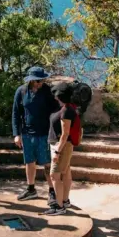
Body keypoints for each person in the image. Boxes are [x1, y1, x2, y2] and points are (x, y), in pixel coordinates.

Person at [12, 66, 58, 202]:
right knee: (29, 162)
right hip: (27, 133)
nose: (40, 83)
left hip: (44, 133)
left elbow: (55, 110)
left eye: (42, 80)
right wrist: (17, 134)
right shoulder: (21, 91)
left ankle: (52, 191)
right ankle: (31, 189)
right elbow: (16, 113)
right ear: (31, 81)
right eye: (37, 81)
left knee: (47, 163)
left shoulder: (47, 91)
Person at [44, 83, 78, 216]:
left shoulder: (66, 111)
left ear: (60, 96)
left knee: (54, 175)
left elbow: (65, 133)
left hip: (61, 146)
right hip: (63, 146)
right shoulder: (67, 108)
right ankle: (64, 200)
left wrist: (57, 151)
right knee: (66, 172)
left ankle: (59, 207)